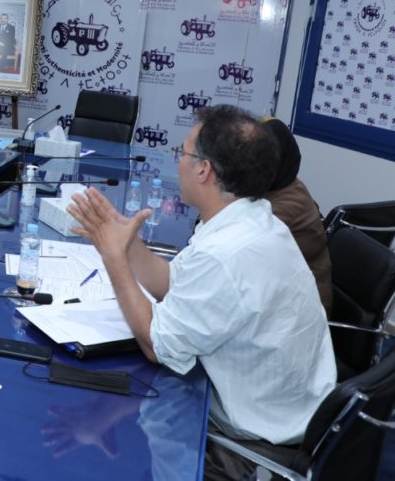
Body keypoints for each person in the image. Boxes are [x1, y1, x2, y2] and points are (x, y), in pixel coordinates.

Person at [67, 105, 335, 480]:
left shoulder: (225, 253)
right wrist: (126, 243)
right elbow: (172, 282)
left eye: (183, 152)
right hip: (293, 405)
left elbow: (157, 345)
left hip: (254, 438)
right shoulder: (251, 219)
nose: (178, 160)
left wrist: (114, 259)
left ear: (203, 170)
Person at [262, 118, 333, 317]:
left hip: (303, 313)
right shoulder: (284, 182)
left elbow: (238, 248)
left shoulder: (286, 207)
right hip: (284, 296)